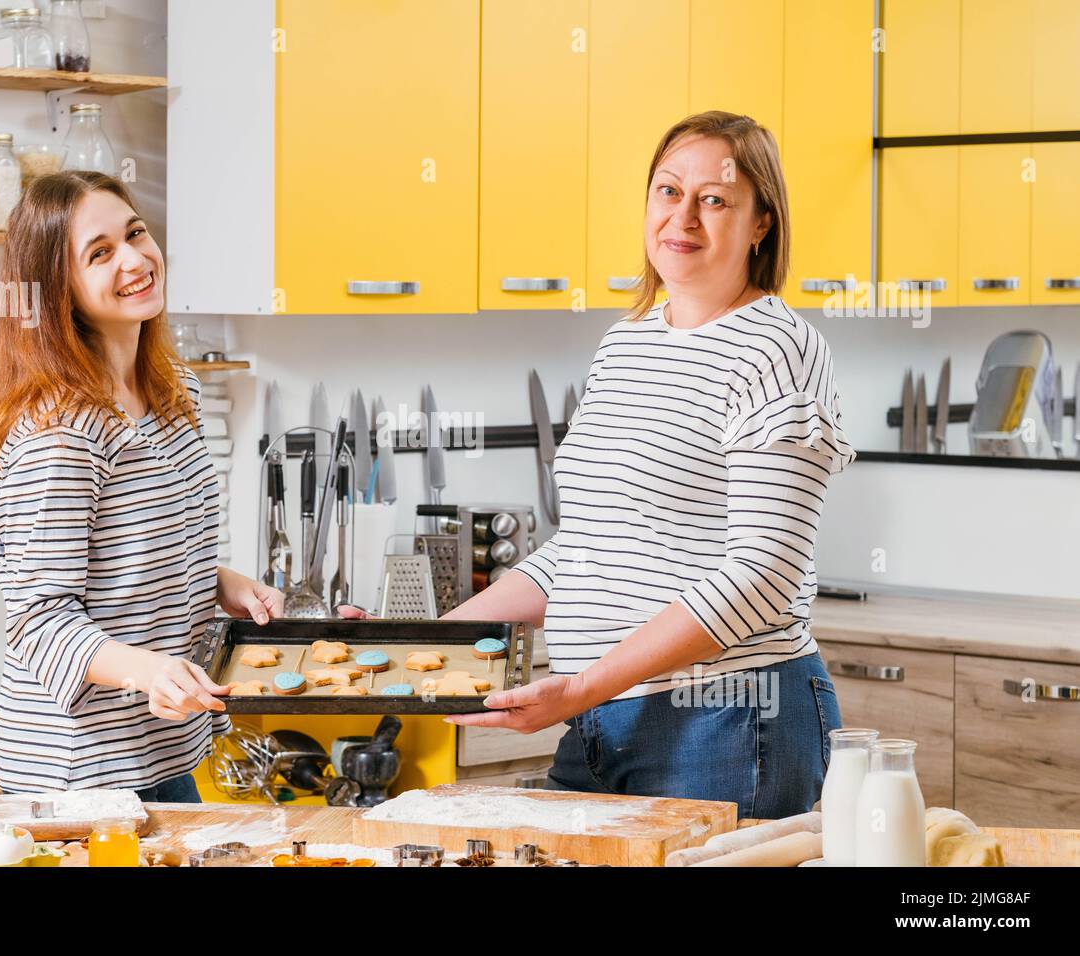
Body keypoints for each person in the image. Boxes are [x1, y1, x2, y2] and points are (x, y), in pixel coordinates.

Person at [345, 111, 853, 818]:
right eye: (668, 191)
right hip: (601, 721)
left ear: (761, 222)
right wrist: (421, 638)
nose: (684, 218)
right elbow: (585, 551)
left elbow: (764, 577)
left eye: (715, 199)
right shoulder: (627, 344)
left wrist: (583, 687)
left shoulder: (778, 350)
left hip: (729, 723)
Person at [0, 171, 284, 799]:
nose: (136, 260)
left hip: (167, 751)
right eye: (100, 253)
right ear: (56, 291)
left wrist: (222, 582)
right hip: (79, 773)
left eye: (135, 233)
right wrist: (149, 672)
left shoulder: (175, 393)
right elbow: (39, 619)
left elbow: (133, 548)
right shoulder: (59, 433)